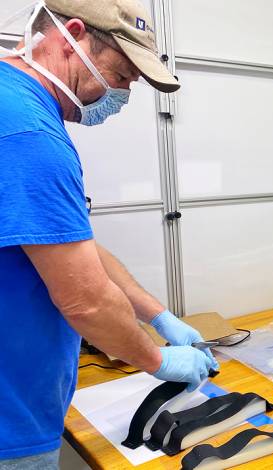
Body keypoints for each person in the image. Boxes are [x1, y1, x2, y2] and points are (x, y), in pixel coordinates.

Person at [0, 1, 217, 468]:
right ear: (70, 36)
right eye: (120, 76)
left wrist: (158, 317)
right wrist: (158, 360)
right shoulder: (28, 131)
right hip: (8, 417)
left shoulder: (13, 105)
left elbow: (69, 244)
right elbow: (86, 301)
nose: (120, 95)